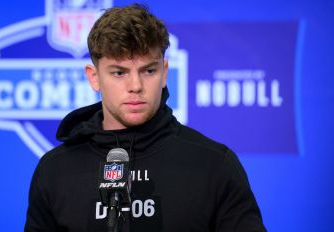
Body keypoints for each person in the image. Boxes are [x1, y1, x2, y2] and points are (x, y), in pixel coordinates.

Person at [25, 4, 266, 232]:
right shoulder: (55, 171)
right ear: (94, 77)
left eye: (148, 70)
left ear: (164, 73)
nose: (136, 86)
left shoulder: (215, 165)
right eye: (119, 73)